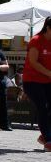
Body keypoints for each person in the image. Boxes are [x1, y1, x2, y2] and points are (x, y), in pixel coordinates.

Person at [22, 16, 51, 151]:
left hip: (47, 81)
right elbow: (33, 62)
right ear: (48, 28)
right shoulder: (36, 41)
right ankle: (48, 140)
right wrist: (49, 73)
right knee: (43, 106)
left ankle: (44, 135)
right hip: (32, 81)